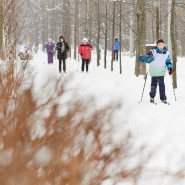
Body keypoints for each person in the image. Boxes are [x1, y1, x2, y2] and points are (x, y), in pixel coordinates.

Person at [138, 39, 173, 104]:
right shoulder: (153, 51)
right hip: (154, 72)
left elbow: (168, 62)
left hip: (161, 72)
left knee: (162, 86)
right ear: (157, 45)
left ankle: (163, 98)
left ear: (164, 45)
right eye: (159, 45)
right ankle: (152, 97)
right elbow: (147, 57)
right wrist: (146, 58)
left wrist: (170, 69)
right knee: (153, 86)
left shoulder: (166, 53)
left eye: (162, 45)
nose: (161, 46)